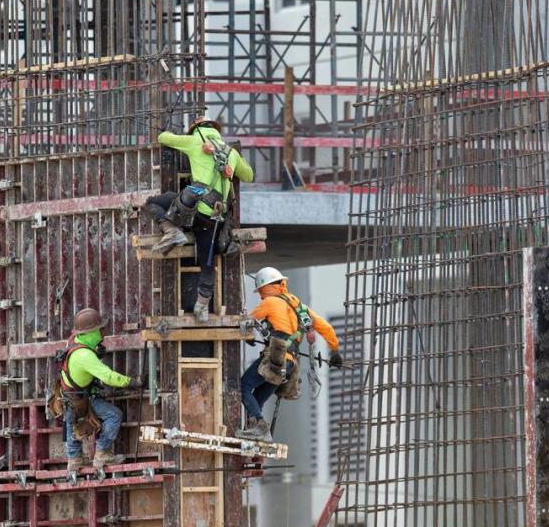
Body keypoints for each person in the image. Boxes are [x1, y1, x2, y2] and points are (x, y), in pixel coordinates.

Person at [143, 117, 254, 323]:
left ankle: (172, 230)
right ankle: (201, 308)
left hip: (194, 210)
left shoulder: (194, 141)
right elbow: (248, 175)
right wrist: (235, 164)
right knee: (207, 263)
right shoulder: (231, 152)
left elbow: (162, 137)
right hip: (215, 218)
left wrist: (168, 127)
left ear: (196, 129)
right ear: (216, 130)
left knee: (153, 203)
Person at [238, 267, 342, 442]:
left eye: (261, 291)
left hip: (275, 358)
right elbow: (326, 327)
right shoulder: (298, 306)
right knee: (256, 397)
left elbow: (245, 321)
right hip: (290, 365)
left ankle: (261, 428)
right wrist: (335, 350)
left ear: (265, 287)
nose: (261, 296)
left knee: (244, 386)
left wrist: (247, 335)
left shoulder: (270, 302)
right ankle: (256, 430)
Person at [57, 308, 139, 470]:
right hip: (79, 399)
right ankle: (102, 454)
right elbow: (108, 377)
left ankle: (74, 459)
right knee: (114, 415)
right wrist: (132, 382)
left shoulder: (74, 342)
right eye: (100, 329)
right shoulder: (85, 356)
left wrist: (95, 351)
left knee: (70, 421)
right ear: (92, 332)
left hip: (68, 396)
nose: (103, 332)